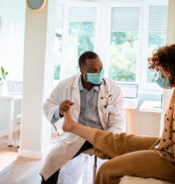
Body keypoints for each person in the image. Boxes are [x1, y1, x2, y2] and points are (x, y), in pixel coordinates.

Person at [62, 44, 175, 184]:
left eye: (159, 70)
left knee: (107, 170)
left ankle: (74, 128)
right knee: (121, 141)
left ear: (170, 67)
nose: (159, 75)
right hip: (171, 147)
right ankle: (73, 126)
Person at [40, 51, 125, 183]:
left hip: (102, 134)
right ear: (82, 71)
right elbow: (48, 105)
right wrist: (59, 111)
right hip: (76, 136)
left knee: (121, 164)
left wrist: (109, 139)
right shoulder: (66, 85)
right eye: (94, 70)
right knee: (51, 163)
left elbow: (118, 121)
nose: (99, 74)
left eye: (101, 69)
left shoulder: (113, 88)